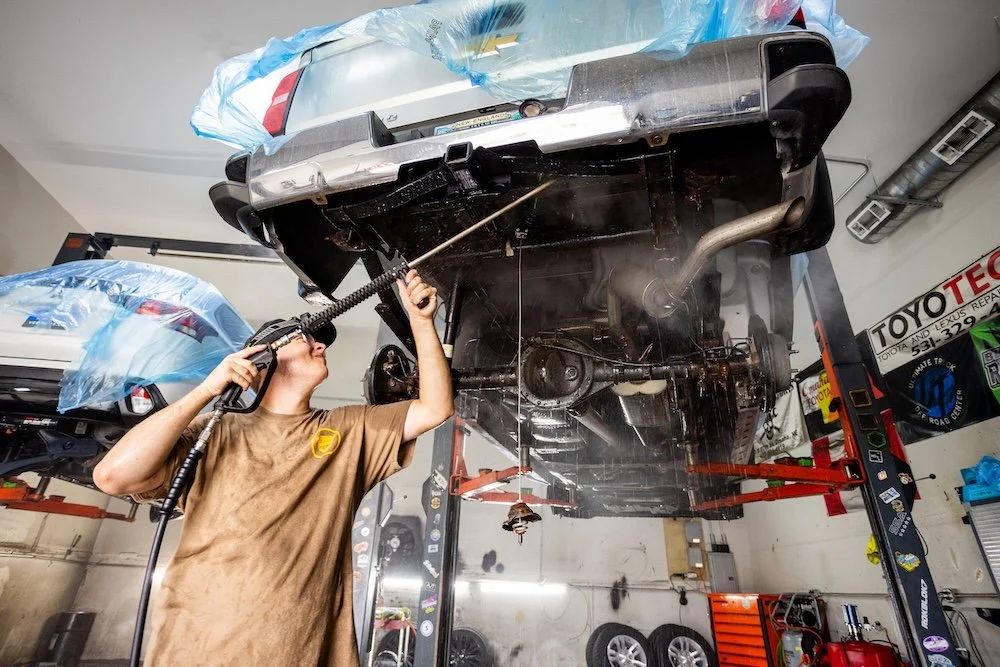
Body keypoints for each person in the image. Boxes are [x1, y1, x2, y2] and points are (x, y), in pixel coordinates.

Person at [93, 270, 454, 666]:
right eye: (306, 338)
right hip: (196, 651)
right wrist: (207, 391)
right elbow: (113, 476)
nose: (320, 345)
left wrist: (421, 323)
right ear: (262, 358)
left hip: (300, 652)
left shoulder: (348, 430)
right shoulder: (214, 432)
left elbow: (435, 408)